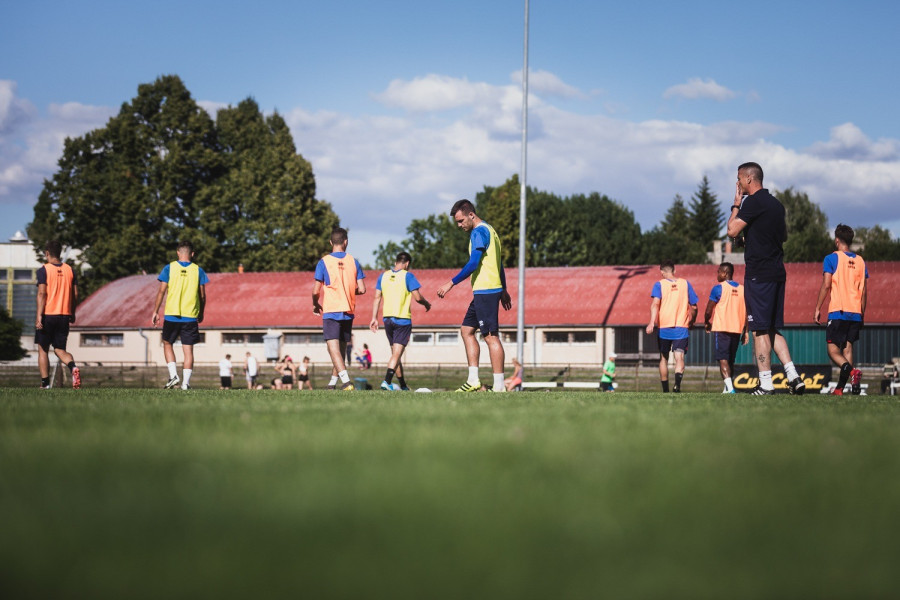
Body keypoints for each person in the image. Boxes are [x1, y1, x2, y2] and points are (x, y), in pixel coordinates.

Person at [727, 162, 806, 395]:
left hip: (758, 275)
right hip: (777, 272)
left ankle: (766, 384)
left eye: (739, 179)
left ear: (749, 179)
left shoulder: (752, 202)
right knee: (772, 328)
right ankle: (794, 377)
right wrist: (750, 239)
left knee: (759, 330)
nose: (738, 183)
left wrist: (736, 203)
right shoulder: (776, 204)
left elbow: (731, 230)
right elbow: (781, 236)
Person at [436, 199, 512, 392]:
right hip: (485, 290)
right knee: (467, 330)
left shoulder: (479, 232)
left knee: (490, 337)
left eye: (461, 221)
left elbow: (473, 263)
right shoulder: (491, 230)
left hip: (486, 290)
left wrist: (450, 283)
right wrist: (503, 289)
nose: (460, 225)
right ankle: (473, 380)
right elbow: (498, 264)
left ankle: (500, 386)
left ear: (471, 215)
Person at [814, 224, 869, 395]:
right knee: (848, 348)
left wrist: (817, 308)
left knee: (832, 351)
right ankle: (843, 388)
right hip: (856, 312)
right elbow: (864, 291)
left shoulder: (831, 258)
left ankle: (852, 373)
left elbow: (826, 284)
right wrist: (862, 313)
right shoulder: (860, 261)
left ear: (837, 240)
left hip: (839, 310)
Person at [312, 227, 366, 391]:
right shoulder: (353, 261)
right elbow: (362, 289)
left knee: (332, 347)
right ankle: (332, 383)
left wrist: (315, 304)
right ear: (345, 242)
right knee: (341, 348)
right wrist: (348, 290)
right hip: (348, 310)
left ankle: (347, 382)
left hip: (331, 309)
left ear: (330, 242)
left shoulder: (324, 262)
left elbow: (315, 290)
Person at [369, 251, 432, 391]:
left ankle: (403, 386)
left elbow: (376, 298)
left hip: (387, 319)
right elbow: (418, 297)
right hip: (402, 320)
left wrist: (374, 318)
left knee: (395, 355)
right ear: (407, 264)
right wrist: (427, 304)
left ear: (396, 262)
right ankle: (386, 381)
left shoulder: (383, 275)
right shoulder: (407, 276)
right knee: (397, 355)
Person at [151, 240, 208, 390]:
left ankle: (173, 375)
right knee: (188, 350)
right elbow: (202, 296)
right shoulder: (198, 270)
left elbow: (161, 291)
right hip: (190, 316)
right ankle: (185, 384)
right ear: (192, 254)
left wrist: (155, 311)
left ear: (178, 253)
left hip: (171, 315)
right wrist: (201, 312)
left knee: (167, 343)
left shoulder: (169, 268)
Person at [646, 260, 698, 393]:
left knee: (664, 358)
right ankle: (677, 385)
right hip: (681, 327)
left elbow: (655, 304)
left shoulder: (659, 285)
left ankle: (665, 390)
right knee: (679, 357)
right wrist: (692, 321)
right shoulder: (685, 284)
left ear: (662, 272)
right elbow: (694, 306)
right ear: (674, 271)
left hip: (664, 327)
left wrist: (652, 322)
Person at [35, 240, 81, 389]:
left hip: (48, 314)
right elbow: (75, 294)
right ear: (59, 253)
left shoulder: (43, 270)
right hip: (64, 316)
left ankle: (45, 384)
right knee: (60, 350)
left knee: (43, 349)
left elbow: (42, 293)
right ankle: (73, 367)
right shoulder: (70, 270)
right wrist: (72, 312)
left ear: (47, 253)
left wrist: (39, 316)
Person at [704, 262, 749, 394]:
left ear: (724, 273)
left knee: (723, 359)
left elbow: (708, 310)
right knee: (730, 360)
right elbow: (747, 312)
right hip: (736, 329)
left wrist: (707, 321)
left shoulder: (719, 288)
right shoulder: (742, 289)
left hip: (722, 328)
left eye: (718, 272)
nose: (717, 274)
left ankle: (730, 388)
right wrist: (746, 331)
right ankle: (727, 389)